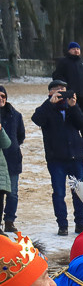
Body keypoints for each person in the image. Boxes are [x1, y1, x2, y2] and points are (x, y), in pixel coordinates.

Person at [33, 79, 83, 235]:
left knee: (78, 192)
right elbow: (37, 120)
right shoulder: (46, 108)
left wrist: (74, 106)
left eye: (63, 89)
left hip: (75, 157)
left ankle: (80, 223)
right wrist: (49, 104)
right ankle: (62, 225)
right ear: (50, 92)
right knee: (59, 193)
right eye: (57, 89)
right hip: (56, 159)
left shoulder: (71, 107)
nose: (61, 92)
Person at [0, 85, 25, 232]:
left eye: (3, 96)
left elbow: (21, 135)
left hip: (12, 158)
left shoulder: (15, 115)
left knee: (13, 193)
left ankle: (9, 221)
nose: (1, 99)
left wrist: (13, 146)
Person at [52, 41, 83, 123]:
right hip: (70, 96)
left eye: (78, 49)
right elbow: (57, 76)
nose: (76, 51)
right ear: (69, 50)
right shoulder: (63, 62)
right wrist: (66, 88)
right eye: (74, 49)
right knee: (71, 117)